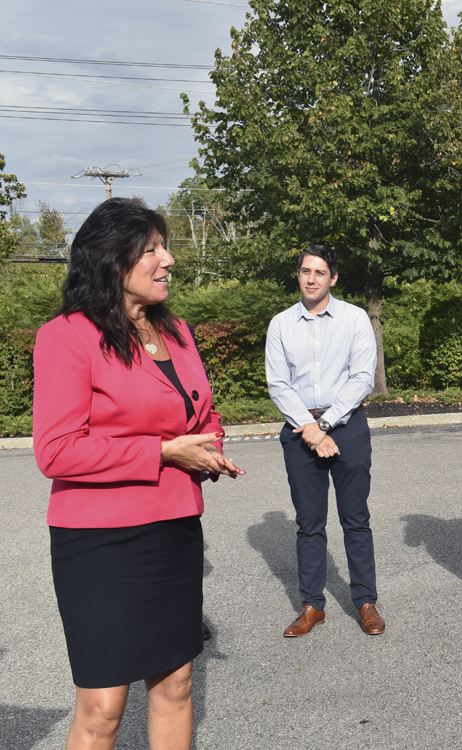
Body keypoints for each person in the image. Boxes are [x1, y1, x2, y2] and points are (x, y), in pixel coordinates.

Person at [33, 197, 244, 750]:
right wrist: (163, 453)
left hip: (173, 528)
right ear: (110, 259)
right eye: (151, 249)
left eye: (164, 247)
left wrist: (210, 447)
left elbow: (201, 412)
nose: (168, 259)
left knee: (175, 683)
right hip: (99, 541)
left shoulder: (176, 333)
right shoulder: (66, 336)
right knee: (103, 708)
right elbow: (55, 451)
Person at [266, 245, 384, 637]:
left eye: (319, 272)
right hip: (300, 429)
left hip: (346, 425)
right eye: (305, 271)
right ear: (298, 276)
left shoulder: (353, 319)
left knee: (356, 520)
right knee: (309, 524)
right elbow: (278, 384)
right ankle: (312, 605)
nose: (311, 278)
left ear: (333, 278)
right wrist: (310, 429)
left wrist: (327, 425)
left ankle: (366, 602)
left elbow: (362, 378)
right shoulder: (281, 324)